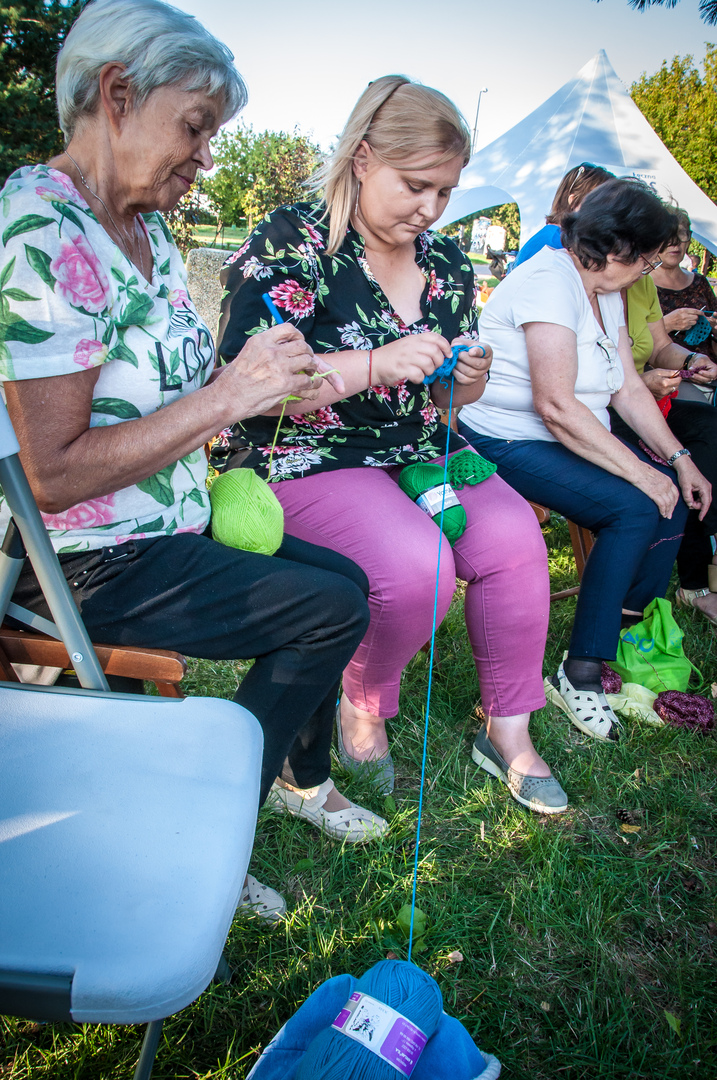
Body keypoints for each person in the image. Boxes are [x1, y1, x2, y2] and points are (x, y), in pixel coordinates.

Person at [0, 0, 388, 923]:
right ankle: (196, 827)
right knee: (328, 611)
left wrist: (262, 381)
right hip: (85, 558)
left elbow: (169, 389)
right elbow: (54, 474)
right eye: (196, 126)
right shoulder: (42, 230)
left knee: (343, 581)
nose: (207, 156)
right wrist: (226, 399)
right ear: (116, 94)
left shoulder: (148, 228)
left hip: (163, 520)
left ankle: (292, 778)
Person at [217, 75, 567, 816]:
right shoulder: (294, 241)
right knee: (417, 567)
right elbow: (250, 387)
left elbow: (446, 402)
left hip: (418, 447)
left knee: (514, 540)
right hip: (307, 451)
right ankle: (364, 702)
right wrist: (374, 364)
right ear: (363, 157)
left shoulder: (448, 264)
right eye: (416, 185)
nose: (431, 208)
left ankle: (508, 727)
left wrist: (464, 380)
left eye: (445, 191)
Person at [457, 179, 711, 742]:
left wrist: (679, 460)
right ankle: (581, 673)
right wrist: (642, 473)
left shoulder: (607, 289)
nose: (648, 272)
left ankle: (616, 640)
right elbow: (554, 405)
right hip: (506, 438)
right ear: (618, 247)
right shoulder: (551, 280)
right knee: (635, 507)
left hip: (567, 434)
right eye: (646, 260)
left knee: (670, 500)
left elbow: (626, 387)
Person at [609, 209, 717, 625]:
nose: (654, 262)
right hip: (604, 411)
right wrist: (642, 382)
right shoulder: (601, 285)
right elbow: (590, 379)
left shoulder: (641, 285)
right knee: (673, 471)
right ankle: (683, 583)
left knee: (707, 432)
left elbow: (659, 347)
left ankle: (698, 572)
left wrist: (691, 359)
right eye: (651, 254)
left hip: (645, 402)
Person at [512, 163, 614, 269]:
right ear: (573, 201)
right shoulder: (557, 246)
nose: (608, 212)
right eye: (600, 202)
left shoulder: (553, 236)